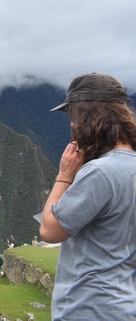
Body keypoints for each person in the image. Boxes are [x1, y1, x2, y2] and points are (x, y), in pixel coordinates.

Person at [40, 73, 136, 320]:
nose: (72, 126)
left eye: (73, 117)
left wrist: (64, 176)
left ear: (86, 117)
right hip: (123, 303)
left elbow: (50, 230)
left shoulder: (100, 172)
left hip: (89, 306)